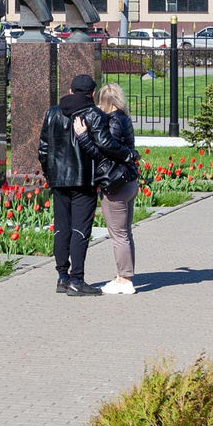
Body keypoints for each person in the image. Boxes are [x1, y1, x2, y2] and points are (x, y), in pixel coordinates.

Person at [38, 71, 101, 296]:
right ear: (92, 94)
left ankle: (62, 277)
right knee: (80, 230)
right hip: (83, 181)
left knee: (62, 228)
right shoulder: (93, 114)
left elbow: (43, 149)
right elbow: (100, 150)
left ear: (71, 90)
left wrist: (50, 174)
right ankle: (77, 280)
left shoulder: (52, 113)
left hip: (58, 180)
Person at [83, 80, 140, 296]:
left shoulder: (113, 121)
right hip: (128, 181)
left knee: (119, 234)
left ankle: (124, 280)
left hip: (116, 183)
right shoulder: (124, 118)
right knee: (125, 232)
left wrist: (84, 136)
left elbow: (107, 148)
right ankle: (124, 275)